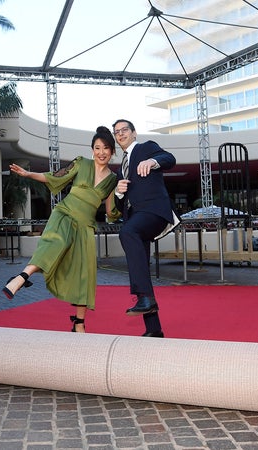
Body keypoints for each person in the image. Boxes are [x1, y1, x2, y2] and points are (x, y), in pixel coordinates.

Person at [2, 126, 117, 333]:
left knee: (85, 273)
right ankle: (21, 277)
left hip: (85, 227)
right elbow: (55, 176)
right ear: (92, 150)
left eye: (106, 148)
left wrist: (123, 197)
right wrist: (28, 174)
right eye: (97, 147)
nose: (101, 152)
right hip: (64, 214)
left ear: (112, 151)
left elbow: (111, 212)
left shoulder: (112, 180)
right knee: (55, 243)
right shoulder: (82, 163)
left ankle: (79, 323)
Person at [111, 119, 177, 338]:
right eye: (116, 132)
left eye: (124, 130)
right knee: (142, 271)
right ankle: (154, 328)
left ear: (134, 133)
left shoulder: (145, 147)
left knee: (127, 232)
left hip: (154, 212)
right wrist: (119, 194)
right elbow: (121, 207)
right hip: (136, 217)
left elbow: (169, 159)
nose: (120, 134)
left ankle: (145, 299)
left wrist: (152, 161)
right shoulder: (120, 168)